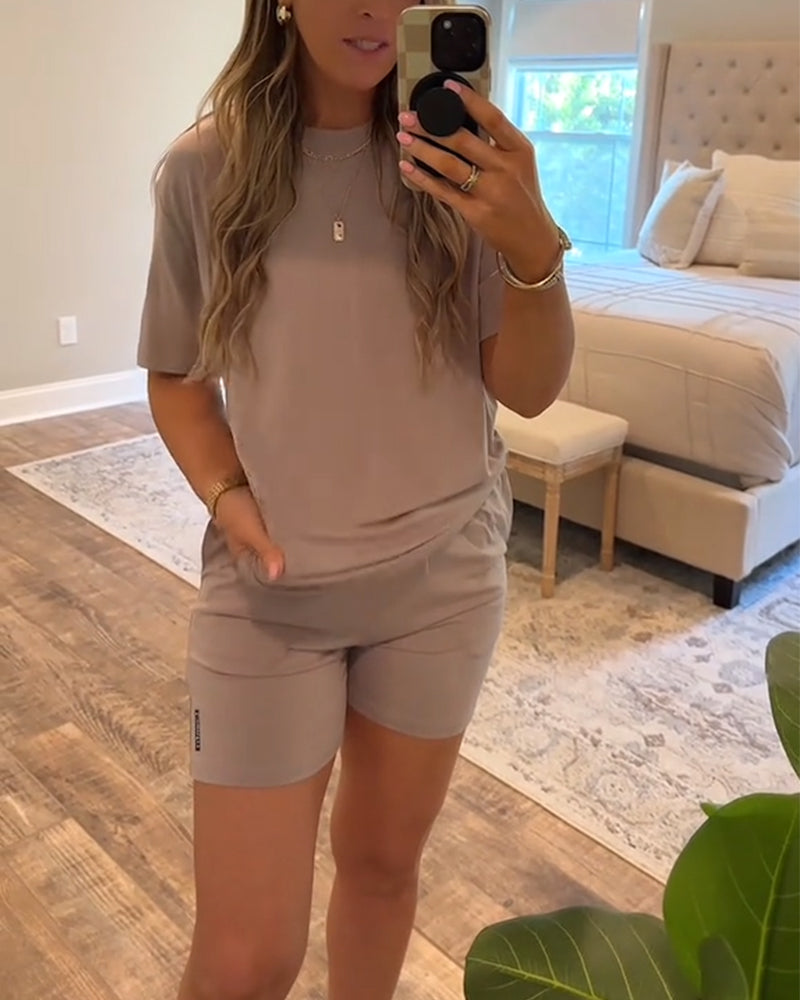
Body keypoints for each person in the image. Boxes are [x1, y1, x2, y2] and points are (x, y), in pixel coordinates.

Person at [138, 1, 574, 998]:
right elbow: (175, 376)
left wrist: (532, 250)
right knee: (247, 958)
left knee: (381, 867)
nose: (374, 5)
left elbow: (528, 389)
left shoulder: (464, 166)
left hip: (442, 585)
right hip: (269, 597)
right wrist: (227, 494)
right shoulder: (201, 170)